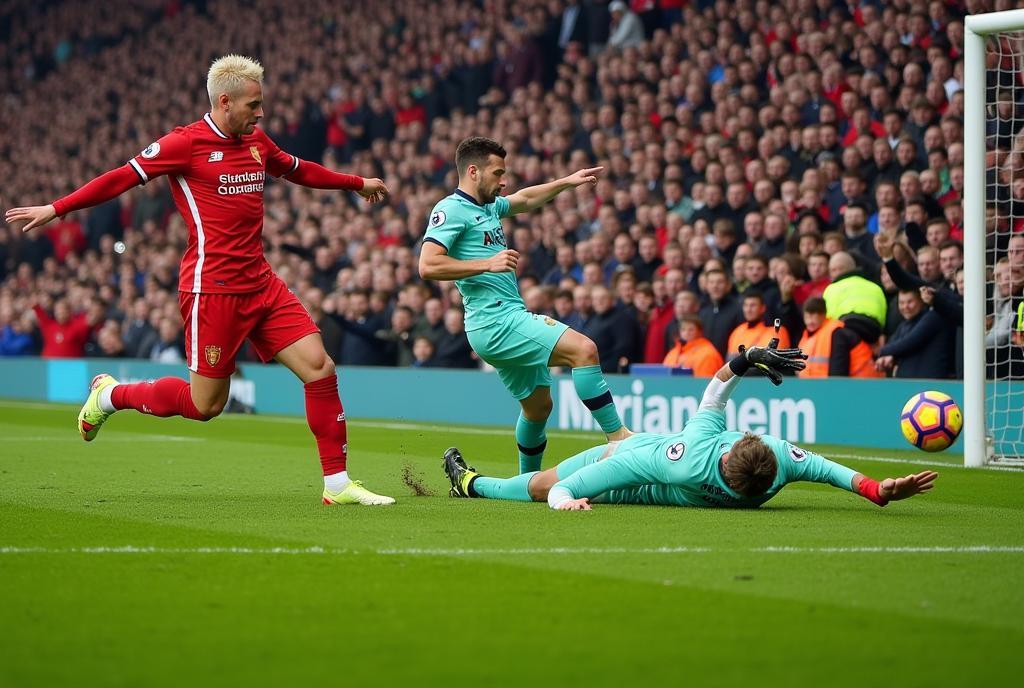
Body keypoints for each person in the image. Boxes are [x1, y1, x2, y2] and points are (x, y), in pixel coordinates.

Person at [5, 54, 394, 507]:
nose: (261, 112)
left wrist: (355, 182)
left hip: (262, 283)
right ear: (224, 102)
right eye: (254, 104)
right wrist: (57, 208)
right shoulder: (183, 144)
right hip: (212, 292)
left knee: (320, 367)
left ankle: (337, 484)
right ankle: (111, 395)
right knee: (206, 405)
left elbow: (299, 169)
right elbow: (120, 179)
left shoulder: (256, 141)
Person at [442, 339, 936, 511]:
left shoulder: (691, 457)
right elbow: (830, 472)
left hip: (631, 470)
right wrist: (877, 489)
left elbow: (604, 476)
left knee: (540, 485)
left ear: (732, 449)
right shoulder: (778, 467)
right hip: (650, 456)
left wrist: (561, 498)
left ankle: (470, 484)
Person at [418, 136, 631, 476]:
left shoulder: (489, 205)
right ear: (473, 171)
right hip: (497, 321)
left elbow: (526, 198)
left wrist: (565, 182)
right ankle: (618, 437)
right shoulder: (450, 210)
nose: (503, 181)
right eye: (497, 173)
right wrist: (486, 264)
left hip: (497, 322)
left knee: (538, 408)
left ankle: (526, 479)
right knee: (584, 350)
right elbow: (428, 265)